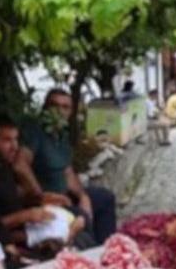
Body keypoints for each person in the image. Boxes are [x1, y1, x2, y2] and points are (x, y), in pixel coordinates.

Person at [0, 114, 93, 266]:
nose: (14, 146)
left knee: (81, 218)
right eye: (6, 140)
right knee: (81, 240)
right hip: (13, 240)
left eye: (16, 139)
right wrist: (25, 216)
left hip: (30, 227)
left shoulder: (4, 165)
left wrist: (42, 199)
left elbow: (13, 199)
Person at [15, 88, 118, 244]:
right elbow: (20, 164)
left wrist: (83, 196)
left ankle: (107, 248)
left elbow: (68, 172)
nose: (59, 111)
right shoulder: (35, 131)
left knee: (104, 197)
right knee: (81, 218)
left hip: (65, 196)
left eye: (65, 107)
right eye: (54, 105)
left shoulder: (61, 135)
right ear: (45, 108)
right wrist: (40, 195)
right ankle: (91, 254)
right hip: (46, 201)